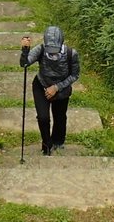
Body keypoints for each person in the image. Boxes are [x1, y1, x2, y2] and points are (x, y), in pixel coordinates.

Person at [20, 25, 80, 156]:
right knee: (43, 117)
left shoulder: (71, 54)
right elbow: (24, 64)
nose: (52, 52)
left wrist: (56, 87)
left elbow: (74, 75)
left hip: (61, 89)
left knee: (59, 117)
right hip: (41, 85)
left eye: (55, 50)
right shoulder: (41, 49)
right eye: (50, 49)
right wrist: (25, 50)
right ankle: (47, 144)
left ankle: (58, 141)